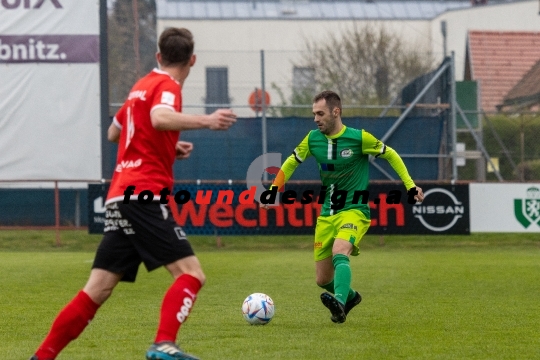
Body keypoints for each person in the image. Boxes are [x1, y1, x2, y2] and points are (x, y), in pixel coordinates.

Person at [29, 28, 236, 360]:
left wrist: (168, 147)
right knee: (191, 274)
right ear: (192, 60)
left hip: (119, 195)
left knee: (97, 289)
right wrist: (207, 120)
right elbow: (159, 117)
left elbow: (115, 132)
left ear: (158, 56)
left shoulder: (140, 87)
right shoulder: (168, 86)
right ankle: (163, 343)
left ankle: (41, 357)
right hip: (143, 195)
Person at [262, 90, 424, 324]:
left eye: (320, 113)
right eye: (313, 114)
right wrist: (273, 190)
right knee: (322, 278)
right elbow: (290, 163)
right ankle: (350, 297)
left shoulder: (359, 138)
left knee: (340, 250)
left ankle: (339, 302)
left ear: (336, 112)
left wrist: (410, 186)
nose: (316, 119)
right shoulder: (312, 139)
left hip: (355, 209)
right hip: (327, 213)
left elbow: (391, 155)